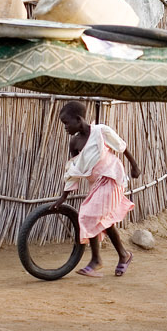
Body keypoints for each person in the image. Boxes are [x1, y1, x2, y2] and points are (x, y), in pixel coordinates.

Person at [59, 101, 139, 276]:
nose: (65, 127)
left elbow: (121, 146)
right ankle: (124, 255)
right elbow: (74, 170)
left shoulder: (100, 131)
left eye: (66, 123)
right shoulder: (74, 143)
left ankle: (96, 260)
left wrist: (134, 166)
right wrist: (63, 197)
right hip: (96, 184)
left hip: (111, 178)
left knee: (89, 214)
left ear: (79, 119)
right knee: (102, 220)